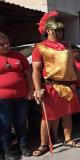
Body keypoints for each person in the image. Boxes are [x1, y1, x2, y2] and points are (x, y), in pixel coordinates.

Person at [32, 11, 80, 157]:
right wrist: (37, 89)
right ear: (49, 31)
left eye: (62, 30)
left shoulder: (67, 46)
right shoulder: (40, 47)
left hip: (69, 86)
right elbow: (35, 70)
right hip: (51, 86)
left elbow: (73, 67)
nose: (61, 32)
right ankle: (43, 144)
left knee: (67, 114)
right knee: (48, 116)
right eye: (58, 30)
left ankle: (68, 138)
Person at [0, 32, 33, 160]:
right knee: (5, 125)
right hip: (2, 99)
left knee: (20, 123)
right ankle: (7, 152)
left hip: (21, 97)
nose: (6, 45)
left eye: (7, 42)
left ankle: (24, 148)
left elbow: (28, 74)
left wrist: (31, 90)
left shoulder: (18, 56)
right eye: (2, 44)